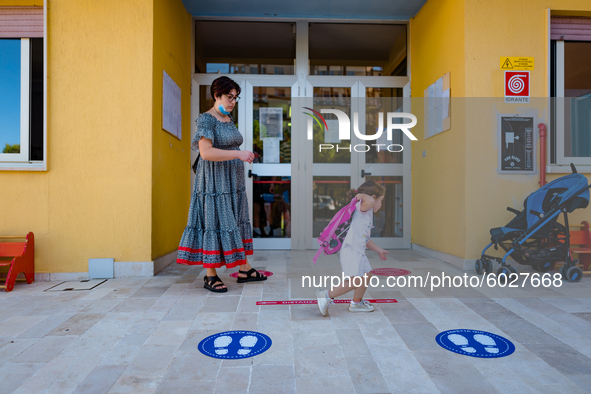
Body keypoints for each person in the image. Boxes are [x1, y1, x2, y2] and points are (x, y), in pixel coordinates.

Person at [177, 76, 267, 293]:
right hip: (214, 183)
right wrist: (238, 153)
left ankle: (244, 269)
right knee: (214, 221)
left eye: (235, 97)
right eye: (229, 97)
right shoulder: (206, 120)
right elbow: (206, 153)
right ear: (216, 95)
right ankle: (210, 276)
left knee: (233, 220)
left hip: (232, 181)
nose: (233, 101)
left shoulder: (228, 119)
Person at [316, 180, 389, 314]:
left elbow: (365, 239)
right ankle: (326, 295)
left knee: (367, 274)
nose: (381, 204)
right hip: (351, 250)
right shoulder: (362, 208)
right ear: (373, 198)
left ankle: (356, 303)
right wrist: (360, 196)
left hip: (358, 251)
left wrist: (379, 250)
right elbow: (370, 201)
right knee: (355, 281)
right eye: (381, 200)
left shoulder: (368, 213)